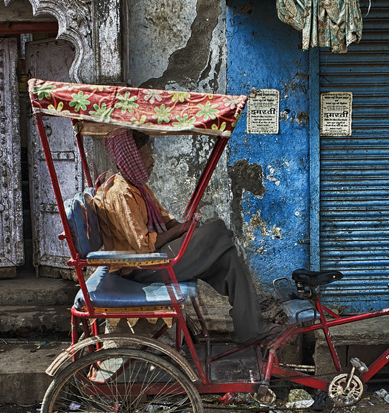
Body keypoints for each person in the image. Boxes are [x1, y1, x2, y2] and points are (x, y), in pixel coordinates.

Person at [93, 129, 269, 344]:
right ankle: (252, 321)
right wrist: (181, 231)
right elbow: (143, 245)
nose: (152, 161)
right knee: (218, 231)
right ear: (134, 158)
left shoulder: (139, 188)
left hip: (156, 257)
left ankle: (250, 329)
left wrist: (187, 229)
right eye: (148, 155)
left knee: (227, 257)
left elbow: (167, 220)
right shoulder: (121, 194)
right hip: (142, 267)